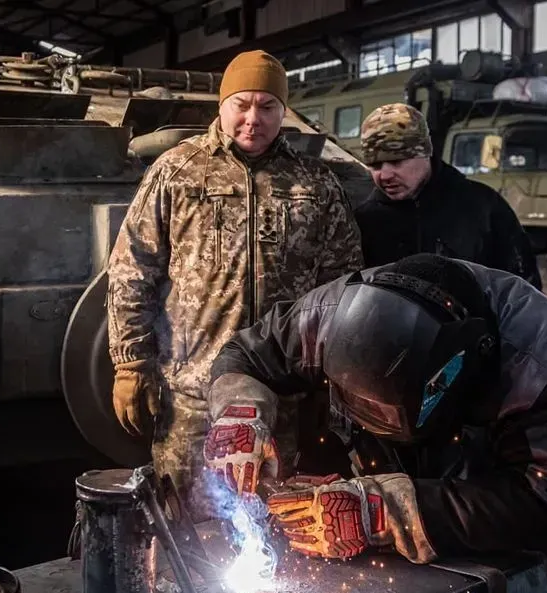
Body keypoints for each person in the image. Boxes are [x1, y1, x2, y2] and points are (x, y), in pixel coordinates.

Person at [202, 253, 547, 593]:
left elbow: (544, 506)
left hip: (515, 545)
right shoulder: (326, 318)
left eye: (386, 414)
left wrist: (382, 510)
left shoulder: (545, 366)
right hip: (389, 545)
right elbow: (248, 354)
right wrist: (240, 414)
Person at [106, 49, 364, 516]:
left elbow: (341, 288)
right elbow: (131, 270)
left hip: (278, 396)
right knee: (182, 526)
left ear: (283, 112)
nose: (253, 118)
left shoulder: (315, 184)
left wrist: (333, 380)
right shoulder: (176, 172)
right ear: (221, 105)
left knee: (266, 529)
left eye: (267, 107)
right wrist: (130, 364)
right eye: (241, 103)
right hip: (190, 395)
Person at [354, 103, 541, 288]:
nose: (384, 175)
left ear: (425, 153)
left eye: (396, 161)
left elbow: (523, 290)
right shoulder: (364, 221)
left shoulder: (482, 208)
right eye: (375, 165)